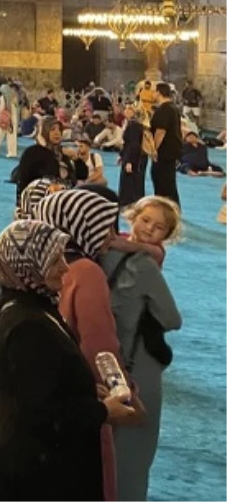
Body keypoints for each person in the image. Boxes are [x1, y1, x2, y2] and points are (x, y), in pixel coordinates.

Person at [0, 220, 138, 501]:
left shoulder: (22, 303)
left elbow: (42, 383)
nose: (65, 268)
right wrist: (103, 411)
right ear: (29, 263)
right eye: (54, 259)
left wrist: (86, 390)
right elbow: (42, 412)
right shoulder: (26, 325)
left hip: (30, 459)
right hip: (38, 474)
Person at [30, 187, 134, 501]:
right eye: (104, 225)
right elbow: (100, 347)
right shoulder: (86, 272)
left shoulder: (31, 266)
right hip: (84, 399)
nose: (110, 236)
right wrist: (125, 396)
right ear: (81, 225)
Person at [102, 197, 182, 502]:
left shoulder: (107, 250)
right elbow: (172, 319)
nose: (149, 229)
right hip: (135, 362)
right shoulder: (145, 265)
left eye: (158, 227)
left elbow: (145, 249)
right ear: (133, 216)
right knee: (134, 450)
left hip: (103, 356)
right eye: (146, 220)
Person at [16, 116, 83, 199]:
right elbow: (23, 181)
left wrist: (76, 159)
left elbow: (83, 176)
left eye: (59, 130)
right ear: (44, 132)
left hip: (65, 198)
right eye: (52, 129)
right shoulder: (32, 152)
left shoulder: (63, 152)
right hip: (41, 199)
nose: (57, 133)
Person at [149, 83, 182, 206]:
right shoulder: (172, 108)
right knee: (166, 181)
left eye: (154, 91)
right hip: (170, 152)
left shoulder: (165, 109)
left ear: (158, 92)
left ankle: (168, 208)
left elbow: (161, 131)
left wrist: (154, 149)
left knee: (164, 182)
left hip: (165, 152)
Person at [119, 106, 148, 207]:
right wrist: (122, 155)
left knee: (132, 181)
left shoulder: (134, 125)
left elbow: (134, 144)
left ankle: (131, 204)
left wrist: (130, 161)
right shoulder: (132, 124)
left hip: (135, 157)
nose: (125, 110)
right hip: (132, 154)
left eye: (129, 109)